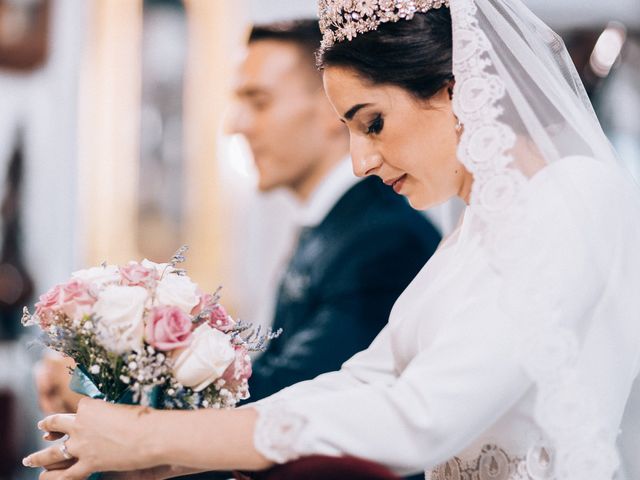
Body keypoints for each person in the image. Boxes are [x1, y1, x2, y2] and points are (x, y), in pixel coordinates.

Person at [22, 0, 640, 479]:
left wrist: (147, 433)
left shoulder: (574, 195)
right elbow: (362, 381)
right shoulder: (473, 231)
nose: (360, 161)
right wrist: (179, 455)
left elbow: (421, 419)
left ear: (458, 90)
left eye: (373, 122)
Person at [32, 19, 440, 415]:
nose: (236, 125)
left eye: (257, 101)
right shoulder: (334, 226)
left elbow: (297, 400)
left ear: (332, 108)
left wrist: (99, 391)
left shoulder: (384, 240)